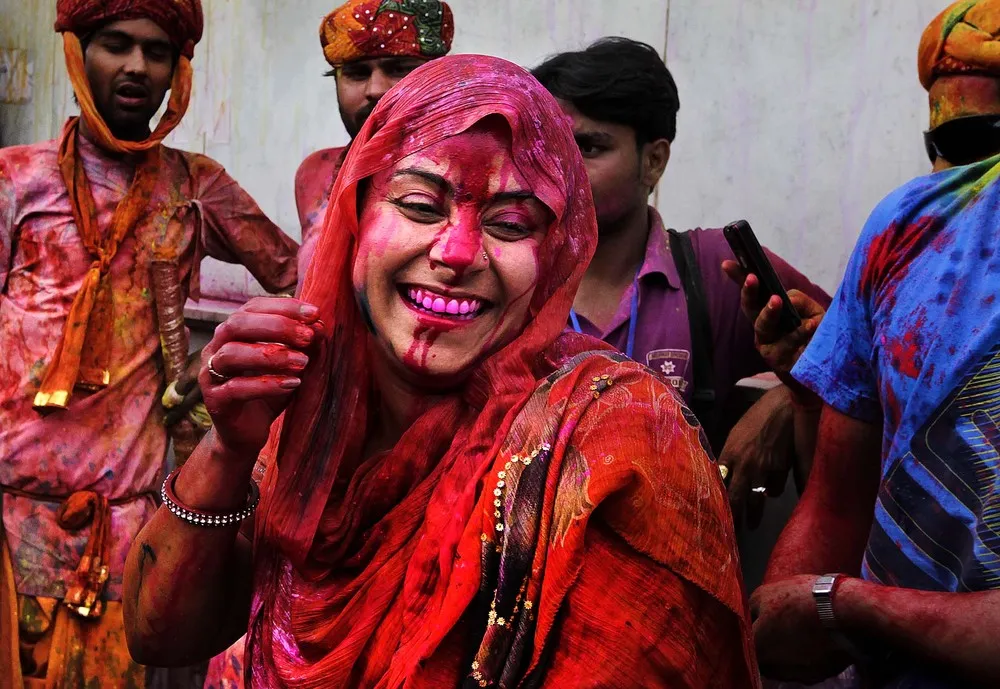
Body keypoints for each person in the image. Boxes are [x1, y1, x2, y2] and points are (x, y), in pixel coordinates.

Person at [122, 55, 759, 689]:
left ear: (554, 256)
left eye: (510, 223)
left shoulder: (614, 443)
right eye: (422, 206)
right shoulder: (307, 403)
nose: (456, 253)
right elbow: (160, 635)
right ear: (356, 218)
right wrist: (229, 449)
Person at [0, 1, 299, 686]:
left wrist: (215, 355)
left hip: (128, 532)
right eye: (115, 44)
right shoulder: (16, 180)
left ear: (178, 69)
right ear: (78, 53)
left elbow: (302, 278)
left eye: (157, 51)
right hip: (11, 523)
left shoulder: (194, 188)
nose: (137, 66)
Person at [750, 2, 1000, 687]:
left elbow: (830, 598)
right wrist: (779, 624)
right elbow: (836, 502)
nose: (977, 183)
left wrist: (847, 606)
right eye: (962, 147)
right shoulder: (903, 230)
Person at [532, 38, 831, 530]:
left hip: (680, 582)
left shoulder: (714, 268)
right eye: (550, 147)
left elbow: (858, 362)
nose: (562, 169)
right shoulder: (510, 273)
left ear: (654, 161)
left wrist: (788, 398)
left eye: (588, 147)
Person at [294, 0, 454, 279]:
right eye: (357, 73)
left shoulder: (476, 174)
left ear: (440, 78)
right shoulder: (316, 173)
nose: (376, 90)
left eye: (398, 69)